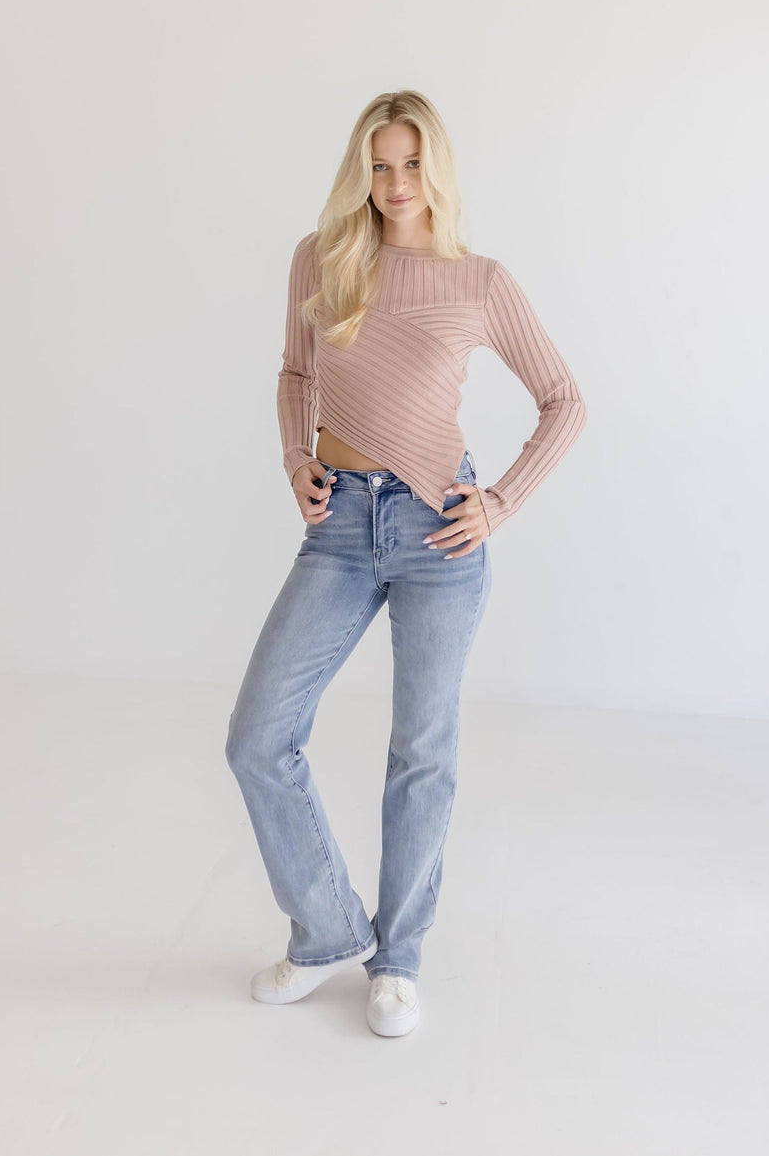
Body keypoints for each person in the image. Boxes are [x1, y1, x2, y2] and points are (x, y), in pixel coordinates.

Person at [225, 90, 587, 1038]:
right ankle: (327, 931)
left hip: (439, 530)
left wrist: (499, 502)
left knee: (421, 752)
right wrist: (296, 459)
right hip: (340, 525)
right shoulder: (321, 257)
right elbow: (297, 373)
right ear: (361, 170)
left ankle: (398, 960)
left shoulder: (479, 281)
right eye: (379, 165)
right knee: (258, 736)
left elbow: (564, 399)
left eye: (412, 164)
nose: (394, 183)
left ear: (438, 170)